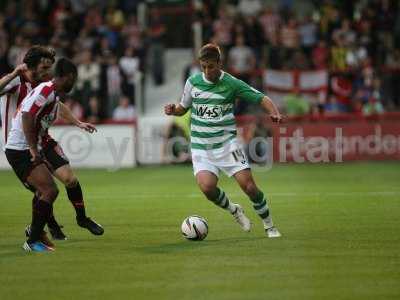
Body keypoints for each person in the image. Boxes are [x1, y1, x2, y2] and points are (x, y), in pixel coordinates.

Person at [164, 44, 282, 238]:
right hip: (201, 146)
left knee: (249, 187)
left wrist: (274, 112)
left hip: (227, 145)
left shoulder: (232, 83)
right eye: (203, 67)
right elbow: (183, 107)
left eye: (211, 66)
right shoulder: (193, 82)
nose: (207, 71)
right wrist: (173, 109)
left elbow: (261, 98)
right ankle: (234, 210)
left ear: (219, 63)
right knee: (207, 187)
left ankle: (270, 226)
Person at [5, 58, 104, 252]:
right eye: (73, 79)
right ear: (67, 77)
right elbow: (26, 116)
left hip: (42, 141)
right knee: (47, 191)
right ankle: (34, 238)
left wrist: (78, 123)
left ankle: (81, 219)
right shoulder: (46, 91)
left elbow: (58, 108)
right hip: (22, 146)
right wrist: (33, 149)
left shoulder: (52, 92)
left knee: (69, 180)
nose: (74, 84)